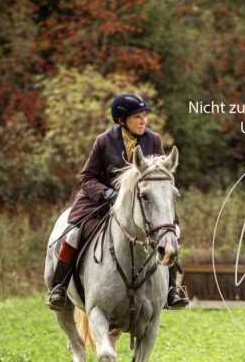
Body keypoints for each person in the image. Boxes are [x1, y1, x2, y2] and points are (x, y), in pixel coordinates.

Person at [46, 93, 190, 311]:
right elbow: (86, 178)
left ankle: (171, 289)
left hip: (144, 203)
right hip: (102, 201)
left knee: (171, 233)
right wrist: (107, 194)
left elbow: (161, 173)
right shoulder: (104, 141)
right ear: (122, 120)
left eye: (144, 116)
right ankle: (59, 286)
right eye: (136, 117)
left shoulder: (154, 140)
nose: (143, 121)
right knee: (73, 233)